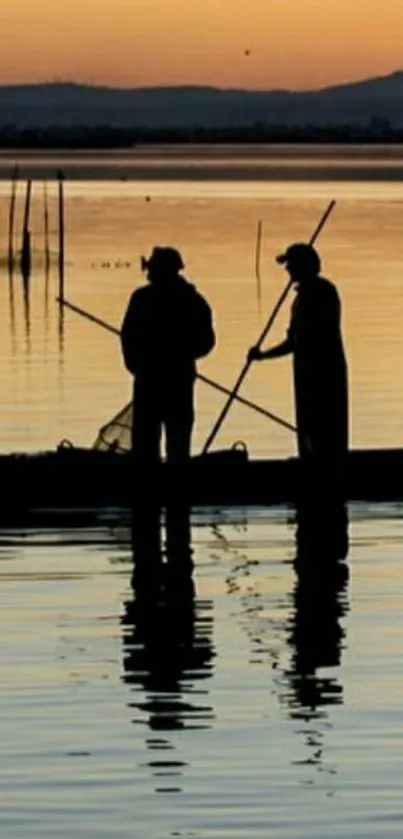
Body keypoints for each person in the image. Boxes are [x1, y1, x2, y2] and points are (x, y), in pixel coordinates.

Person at [247, 242, 348, 494]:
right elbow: (297, 340)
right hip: (308, 373)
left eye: (291, 265)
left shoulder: (317, 294)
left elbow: (299, 340)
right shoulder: (306, 295)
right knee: (311, 428)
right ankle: (315, 468)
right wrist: (263, 356)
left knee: (323, 428)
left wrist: (263, 356)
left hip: (321, 374)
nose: (288, 270)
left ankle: (323, 476)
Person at [120, 246, 216, 466]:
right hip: (171, 377)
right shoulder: (192, 300)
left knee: (155, 439)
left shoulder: (143, 299)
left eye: (152, 267)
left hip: (160, 378)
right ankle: (173, 484)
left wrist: (139, 365)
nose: (149, 271)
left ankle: (155, 487)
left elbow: (128, 337)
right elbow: (207, 342)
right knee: (174, 440)